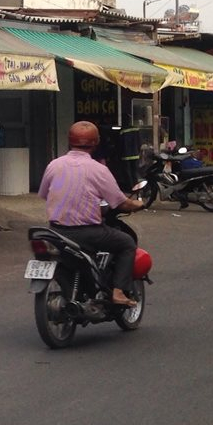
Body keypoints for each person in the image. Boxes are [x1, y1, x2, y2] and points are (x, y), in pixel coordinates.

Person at [38, 121, 145, 307]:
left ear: (69, 141)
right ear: (96, 143)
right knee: (127, 243)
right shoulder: (98, 169)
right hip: (87, 233)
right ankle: (118, 292)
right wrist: (138, 204)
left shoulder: (54, 165)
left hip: (55, 231)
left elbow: (44, 194)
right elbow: (120, 202)